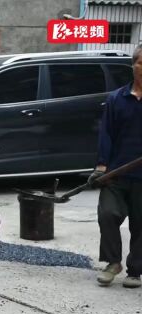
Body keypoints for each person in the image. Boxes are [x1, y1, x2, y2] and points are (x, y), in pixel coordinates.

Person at [91, 43, 142, 289]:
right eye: (140, 62)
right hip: (116, 173)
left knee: (140, 224)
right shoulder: (117, 99)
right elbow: (106, 135)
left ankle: (136, 270)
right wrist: (102, 166)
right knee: (108, 214)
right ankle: (113, 262)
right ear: (133, 66)